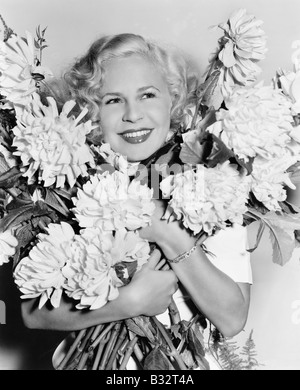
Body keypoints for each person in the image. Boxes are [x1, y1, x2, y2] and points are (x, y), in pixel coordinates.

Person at [20, 33, 252, 345]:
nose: (132, 114)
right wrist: (127, 303)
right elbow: (32, 313)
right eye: (113, 100)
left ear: (173, 99)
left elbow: (233, 318)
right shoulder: (66, 184)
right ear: (91, 111)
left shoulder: (213, 183)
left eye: (147, 95)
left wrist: (168, 234)